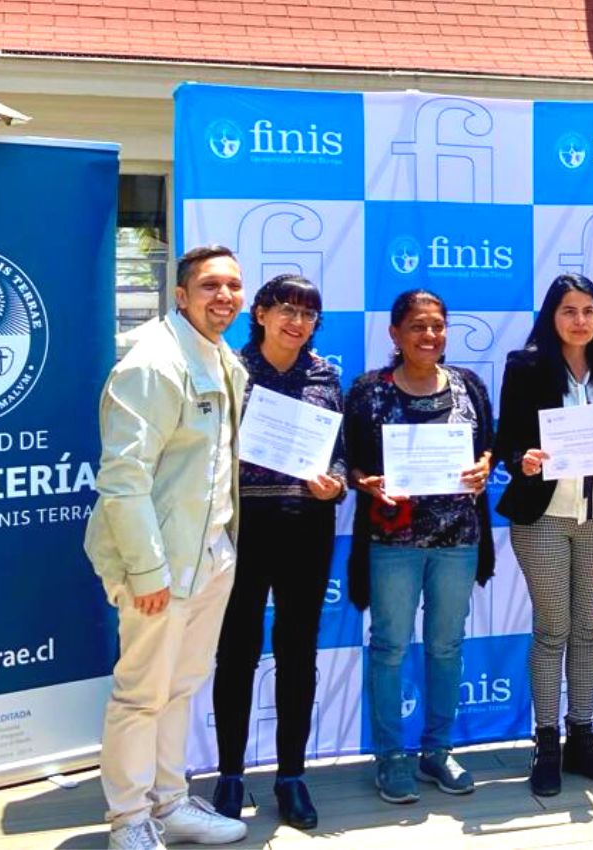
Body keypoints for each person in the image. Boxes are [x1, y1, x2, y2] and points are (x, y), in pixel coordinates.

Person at [84, 245, 250, 850]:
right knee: (140, 693)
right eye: (210, 286)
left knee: (180, 687)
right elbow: (122, 480)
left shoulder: (221, 356)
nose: (224, 296)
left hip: (210, 556)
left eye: (233, 285)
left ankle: (171, 803)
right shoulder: (154, 363)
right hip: (157, 565)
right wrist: (148, 571)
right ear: (180, 295)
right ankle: (128, 820)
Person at [493, 273, 593, 797]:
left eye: (588, 310)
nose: (580, 320)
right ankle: (547, 740)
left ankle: (583, 737)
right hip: (543, 515)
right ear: (551, 316)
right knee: (553, 629)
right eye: (569, 311)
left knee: (586, 629)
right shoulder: (526, 366)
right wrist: (525, 460)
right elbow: (508, 439)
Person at [343, 289, 496, 804]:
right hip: (393, 541)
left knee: (447, 646)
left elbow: (488, 446)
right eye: (417, 326)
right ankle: (390, 755)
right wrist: (367, 483)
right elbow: (350, 463)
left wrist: (484, 468)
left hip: (458, 539)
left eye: (437, 325)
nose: (429, 335)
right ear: (394, 333)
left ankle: (437, 749)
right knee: (388, 647)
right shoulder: (368, 392)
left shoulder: (469, 385)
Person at [210, 274, 346, 829]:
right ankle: (229, 775)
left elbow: (338, 455)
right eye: (286, 309)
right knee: (236, 652)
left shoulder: (326, 376)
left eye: (309, 313)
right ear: (260, 313)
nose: (297, 321)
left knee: (297, 654)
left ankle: (291, 776)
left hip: (306, 528)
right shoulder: (230, 371)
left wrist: (335, 483)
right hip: (243, 529)